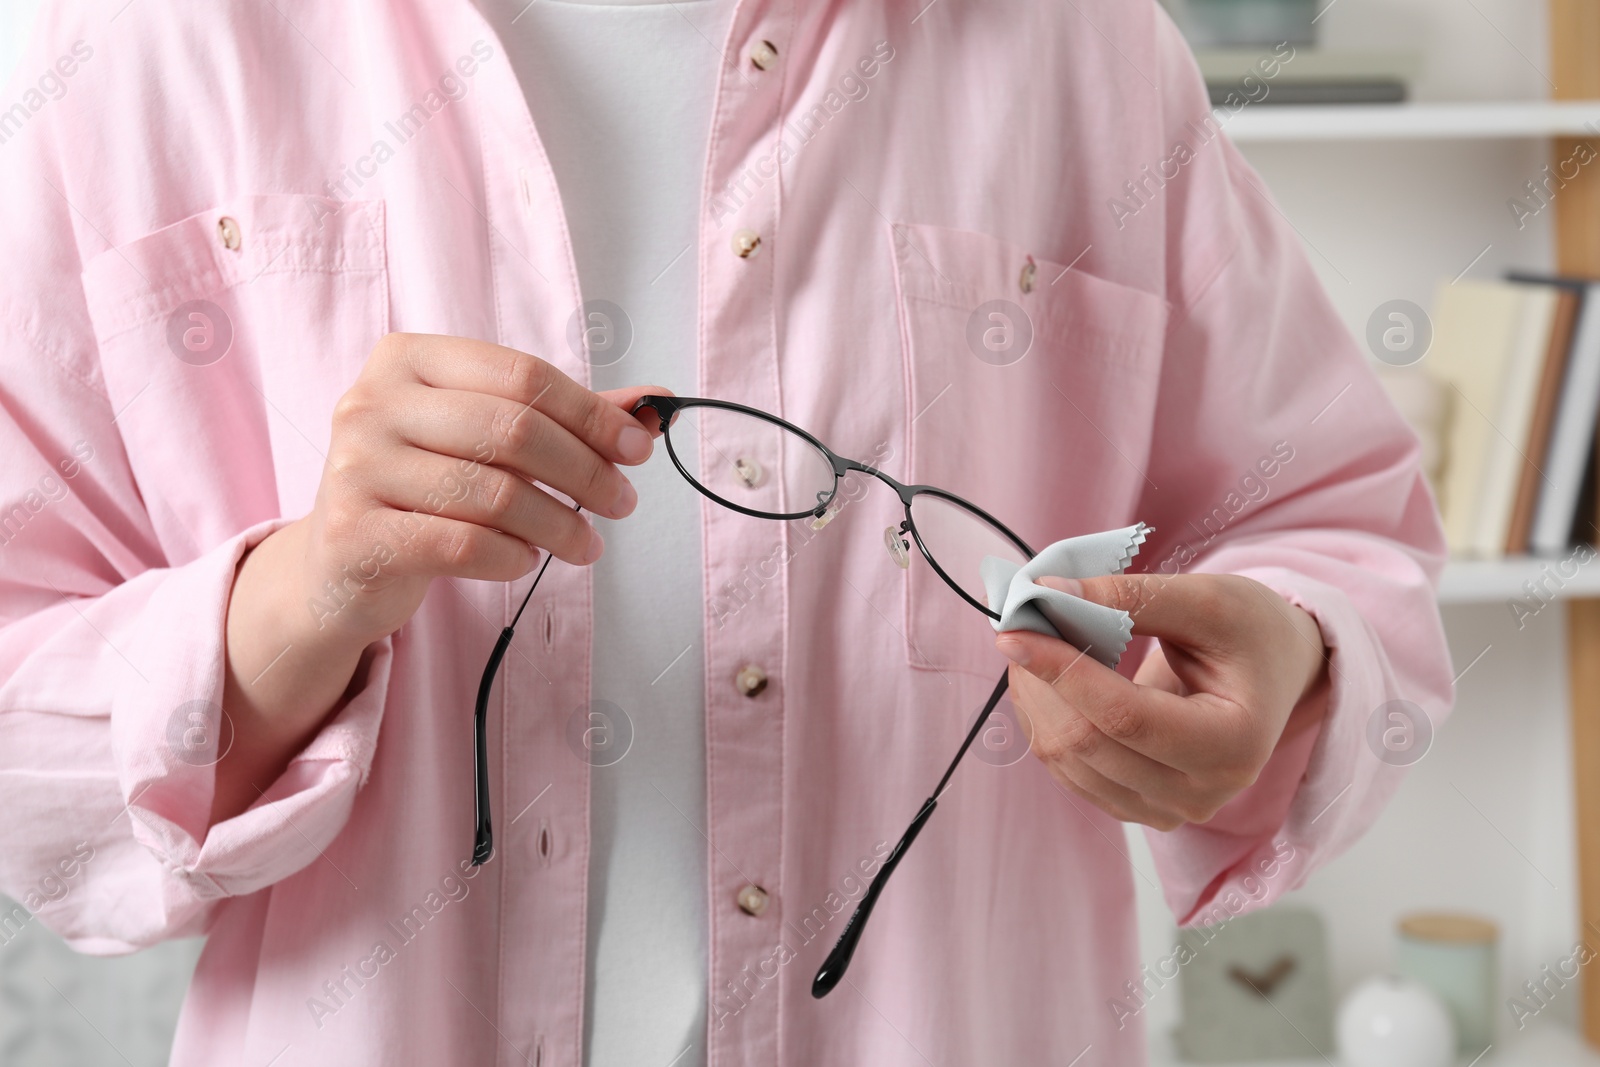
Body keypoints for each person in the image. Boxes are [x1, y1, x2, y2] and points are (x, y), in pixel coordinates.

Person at [0, 0, 1451, 1064]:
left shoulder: (1077, 47)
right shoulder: (144, 52)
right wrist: (306, 592)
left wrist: (1291, 668)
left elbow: (1329, 527)